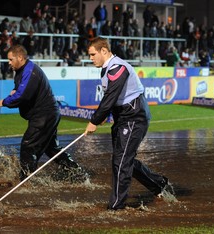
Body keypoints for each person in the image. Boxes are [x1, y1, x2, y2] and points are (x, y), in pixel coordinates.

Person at [84, 37, 169, 210]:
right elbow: (112, 99)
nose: (91, 58)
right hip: (123, 117)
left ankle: (116, 207)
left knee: (121, 161)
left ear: (104, 51)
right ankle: (158, 183)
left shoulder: (117, 67)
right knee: (123, 159)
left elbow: (110, 97)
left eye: (93, 54)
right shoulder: (106, 69)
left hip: (134, 117)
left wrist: (95, 120)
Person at [0, 45, 84, 181]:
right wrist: (15, 91)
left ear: (20, 57)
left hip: (44, 115)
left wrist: (5, 102)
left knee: (28, 144)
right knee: (51, 148)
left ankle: (26, 179)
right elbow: (20, 90)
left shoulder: (30, 72)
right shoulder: (21, 71)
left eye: (11, 59)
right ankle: (76, 172)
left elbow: (22, 95)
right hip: (46, 114)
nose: (9, 63)